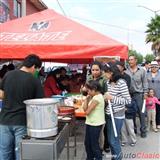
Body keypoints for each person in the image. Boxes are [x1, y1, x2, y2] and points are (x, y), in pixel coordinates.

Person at [0, 54, 44, 160]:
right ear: (34, 66)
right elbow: (40, 103)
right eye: (37, 69)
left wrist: (10, 98)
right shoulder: (34, 81)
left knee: (5, 152)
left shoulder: (8, 75)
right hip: (21, 122)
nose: (36, 71)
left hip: (4, 121)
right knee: (21, 153)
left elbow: (1, 94)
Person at [103, 63, 131, 160]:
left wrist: (112, 98)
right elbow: (108, 97)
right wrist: (106, 98)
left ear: (111, 72)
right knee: (110, 140)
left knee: (113, 140)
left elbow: (128, 100)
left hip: (117, 114)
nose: (104, 74)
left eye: (106, 72)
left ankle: (118, 158)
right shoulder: (107, 82)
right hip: (108, 113)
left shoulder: (121, 82)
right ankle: (114, 157)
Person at [81, 61, 108, 152]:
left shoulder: (104, 79)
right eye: (93, 70)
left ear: (100, 70)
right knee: (91, 137)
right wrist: (84, 91)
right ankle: (94, 152)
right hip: (90, 103)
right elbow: (85, 92)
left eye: (97, 70)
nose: (95, 72)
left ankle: (101, 149)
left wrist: (99, 101)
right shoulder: (88, 78)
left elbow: (105, 93)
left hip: (99, 105)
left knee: (100, 131)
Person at [126, 55, 148, 138]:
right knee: (132, 113)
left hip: (139, 94)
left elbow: (145, 82)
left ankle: (143, 131)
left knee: (141, 113)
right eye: (129, 60)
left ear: (136, 60)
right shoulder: (126, 71)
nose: (130, 61)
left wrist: (145, 93)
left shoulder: (142, 71)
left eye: (131, 60)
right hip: (129, 95)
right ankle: (133, 129)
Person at [83, 80, 105, 160]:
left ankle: (98, 158)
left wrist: (87, 99)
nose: (87, 92)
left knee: (94, 145)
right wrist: (87, 98)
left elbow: (87, 112)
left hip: (96, 124)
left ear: (94, 89)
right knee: (87, 143)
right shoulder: (93, 97)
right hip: (90, 122)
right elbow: (84, 108)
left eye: (88, 90)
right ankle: (89, 158)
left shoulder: (98, 98)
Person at [146, 61, 160, 129]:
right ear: (150, 67)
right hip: (150, 96)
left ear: (157, 67)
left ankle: (158, 123)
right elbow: (145, 84)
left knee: (158, 109)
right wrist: (146, 93)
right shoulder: (147, 74)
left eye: (155, 66)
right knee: (150, 109)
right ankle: (150, 122)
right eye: (152, 66)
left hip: (158, 94)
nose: (154, 68)